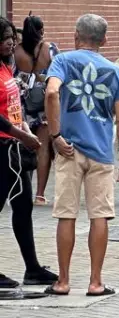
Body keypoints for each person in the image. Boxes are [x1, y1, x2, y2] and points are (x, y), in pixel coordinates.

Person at [43, 15, 119, 297]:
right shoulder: (115, 71)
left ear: (75, 36)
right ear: (104, 40)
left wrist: (55, 136)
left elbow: (52, 92)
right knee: (100, 216)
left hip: (68, 150)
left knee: (66, 215)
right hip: (101, 152)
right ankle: (95, 282)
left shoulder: (63, 61)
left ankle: (64, 281)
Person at [0, 17, 56, 289]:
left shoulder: (6, 66)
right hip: (2, 147)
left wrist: (23, 126)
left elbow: (13, 103)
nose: (10, 42)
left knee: (22, 206)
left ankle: (32, 268)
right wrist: (20, 133)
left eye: (11, 36)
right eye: (3, 38)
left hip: (13, 148)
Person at [14, 15, 55, 204]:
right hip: (46, 102)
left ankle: (21, 189)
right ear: (41, 30)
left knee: (24, 143)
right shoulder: (50, 49)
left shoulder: (16, 51)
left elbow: (12, 75)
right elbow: (58, 75)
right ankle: (40, 194)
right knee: (43, 148)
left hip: (23, 102)